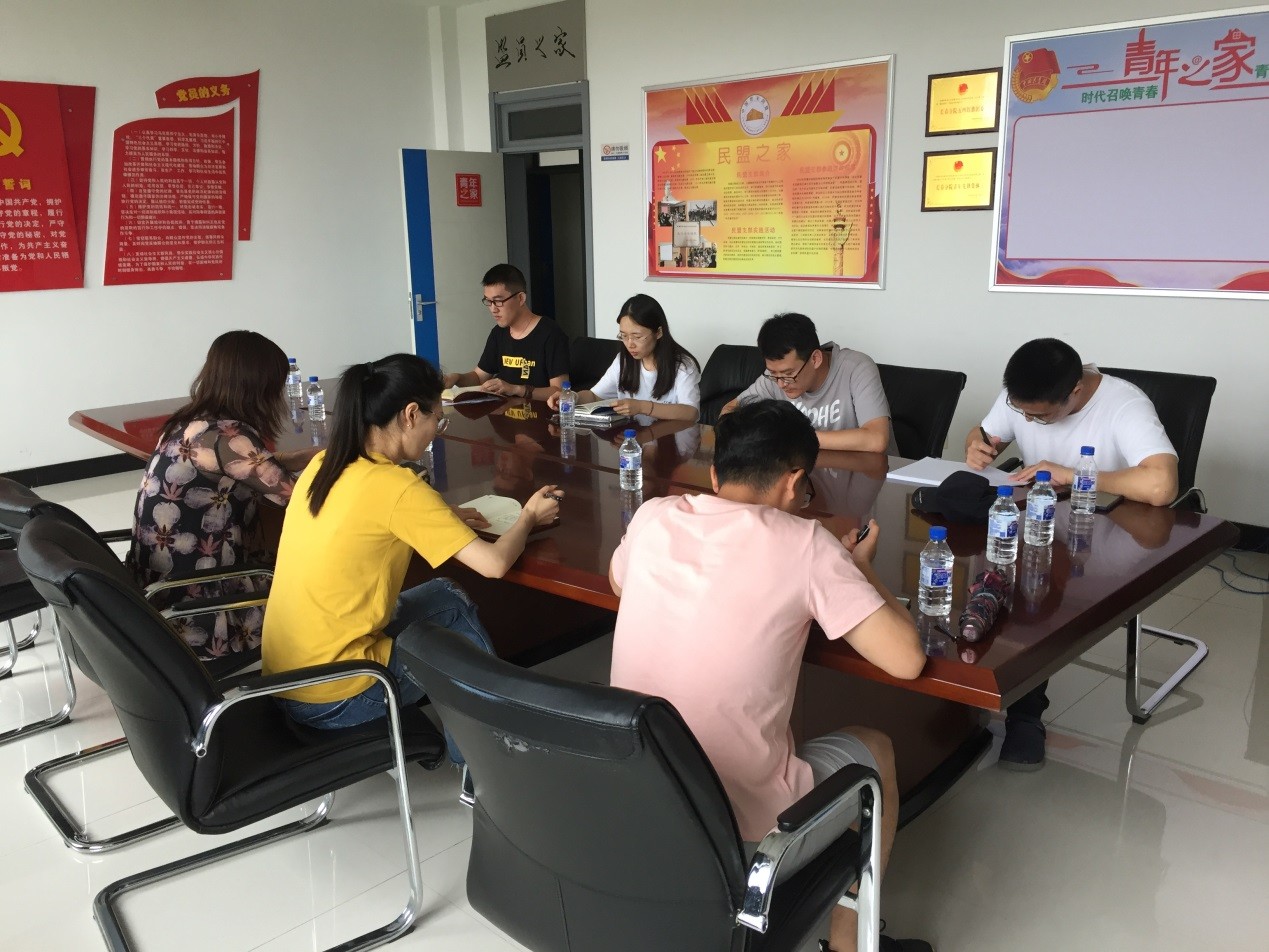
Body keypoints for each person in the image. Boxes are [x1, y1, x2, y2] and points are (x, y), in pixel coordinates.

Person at [608, 399, 930, 952]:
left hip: (632, 803)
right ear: (795, 482)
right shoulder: (805, 543)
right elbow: (907, 659)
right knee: (876, 751)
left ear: (715, 475)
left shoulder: (654, 515)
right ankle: (849, 946)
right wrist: (859, 570)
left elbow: (619, 582)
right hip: (741, 838)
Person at [261, 354, 560, 756]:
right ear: (411, 414)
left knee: (446, 597)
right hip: (339, 694)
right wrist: (528, 517)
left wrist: (439, 514)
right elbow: (494, 565)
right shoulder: (398, 488)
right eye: (438, 419)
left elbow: (368, 515)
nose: (436, 431)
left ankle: (486, 746)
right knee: (455, 639)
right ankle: (491, 760)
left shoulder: (325, 464)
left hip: (285, 679)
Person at [964, 337, 1178, 769]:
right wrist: (977, 444)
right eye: (1021, 412)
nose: (1028, 421)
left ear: (1075, 391)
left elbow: (1161, 486)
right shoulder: (1022, 396)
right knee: (975, 570)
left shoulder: (1124, 404)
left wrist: (1073, 474)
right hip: (1037, 525)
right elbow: (985, 433)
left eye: (1040, 416)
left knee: (1031, 598)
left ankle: (1026, 716)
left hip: (1105, 540)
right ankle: (958, 701)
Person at [127, 330, 318, 660]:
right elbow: (296, 498)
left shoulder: (189, 423)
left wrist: (304, 457)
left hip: (157, 590)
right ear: (260, 386)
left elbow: (243, 468)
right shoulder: (230, 437)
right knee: (320, 579)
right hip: (201, 603)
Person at [722, 312, 893, 453]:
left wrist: (795, 438)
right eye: (773, 373)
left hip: (873, 476)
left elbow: (876, 439)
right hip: (810, 473)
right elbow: (728, 411)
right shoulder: (775, 377)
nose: (781, 384)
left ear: (815, 359)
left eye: (789, 374)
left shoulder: (856, 368)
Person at [547, 293, 701, 421]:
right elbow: (594, 396)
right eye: (624, 336)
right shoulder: (624, 361)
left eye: (637, 336)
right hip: (633, 438)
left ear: (659, 332)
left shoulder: (682, 366)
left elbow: (691, 412)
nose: (630, 344)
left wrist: (642, 407)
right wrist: (572, 397)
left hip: (671, 441)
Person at [442, 263, 570, 401]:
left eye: (498, 301)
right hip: (504, 412)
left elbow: (561, 392)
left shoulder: (550, 333)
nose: (493, 309)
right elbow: (479, 377)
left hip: (539, 413)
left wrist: (516, 389)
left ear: (521, 298)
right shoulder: (498, 333)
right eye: (488, 301)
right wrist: (456, 378)